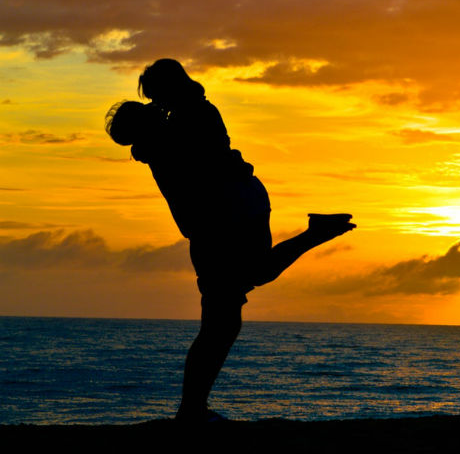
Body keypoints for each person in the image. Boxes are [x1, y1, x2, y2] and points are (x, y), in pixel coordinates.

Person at [105, 60, 355, 422]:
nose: (154, 102)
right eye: (151, 100)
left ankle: (191, 410)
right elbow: (156, 144)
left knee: (223, 317)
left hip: (225, 218)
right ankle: (315, 233)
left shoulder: (182, 123)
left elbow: (181, 153)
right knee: (239, 299)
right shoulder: (178, 124)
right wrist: (155, 121)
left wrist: (153, 122)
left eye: (156, 95)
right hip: (231, 212)